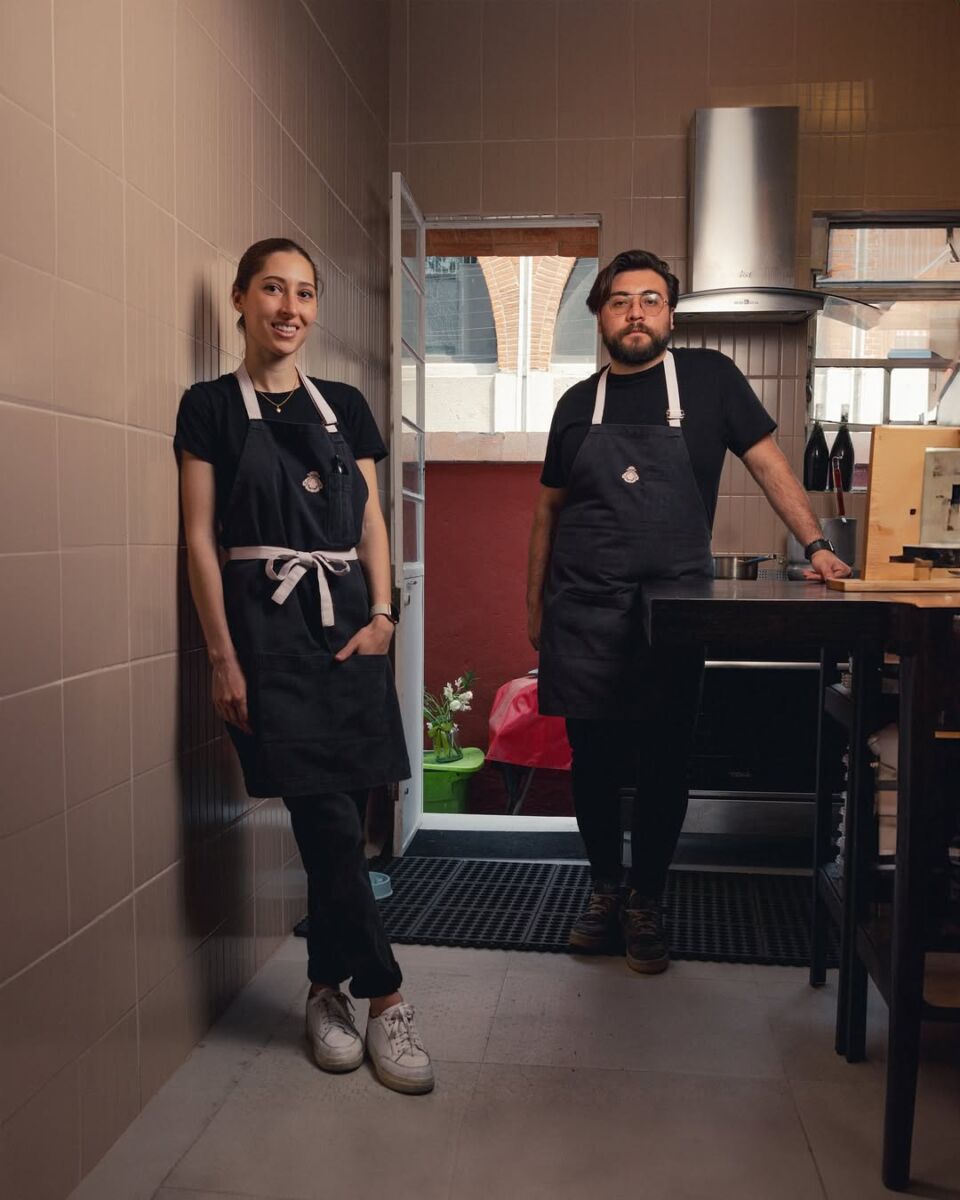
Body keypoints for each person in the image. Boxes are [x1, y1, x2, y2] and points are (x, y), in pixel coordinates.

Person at [527, 248, 851, 974]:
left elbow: (769, 464)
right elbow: (547, 514)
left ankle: (648, 899)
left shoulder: (708, 380)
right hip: (582, 606)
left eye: (650, 299)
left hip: (671, 608)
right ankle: (604, 891)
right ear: (599, 315)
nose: (635, 312)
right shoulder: (577, 404)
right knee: (595, 761)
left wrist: (816, 544)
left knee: (667, 756)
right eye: (619, 300)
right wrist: (534, 609)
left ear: (669, 314)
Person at [176, 237, 433, 1094]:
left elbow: (367, 524)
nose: (291, 307)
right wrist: (222, 657)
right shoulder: (209, 407)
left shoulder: (346, 407)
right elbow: (201, 541)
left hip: (350, 632)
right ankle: (388, 997)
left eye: (306, 294)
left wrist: (387, 614)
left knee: (342, 822)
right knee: (324, 819)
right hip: (265, 637)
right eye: (273, 290)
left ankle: (328, 992)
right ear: (241, 301)